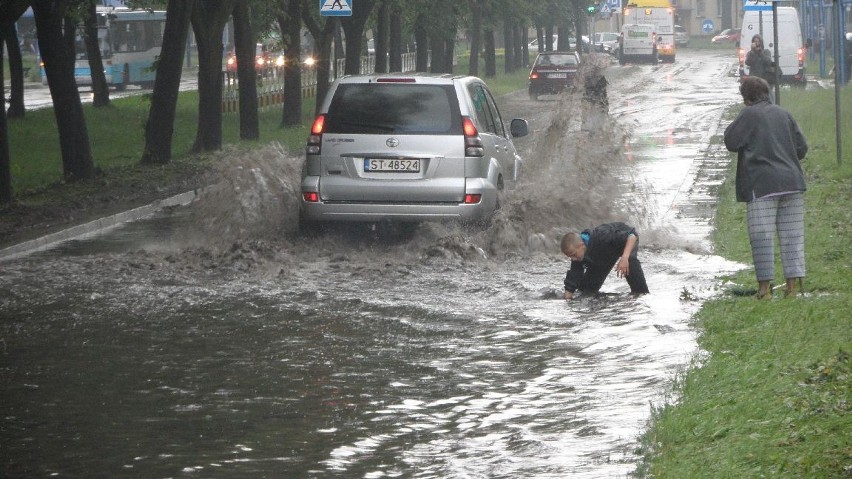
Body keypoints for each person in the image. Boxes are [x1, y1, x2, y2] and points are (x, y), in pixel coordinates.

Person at [724, 76, 809, 299]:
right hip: (792, 184)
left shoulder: (748, 114)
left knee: (761, 237)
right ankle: (791, 288)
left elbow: (731, 142)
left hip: (761, 185)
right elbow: (802, 148)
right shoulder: (784, 113)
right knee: (793, 236)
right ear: (766, 93)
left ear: (746, 97)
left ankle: (764, 290)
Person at [561, 222, 650, 299]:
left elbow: (632, 236)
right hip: (604, 254)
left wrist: (625, 257)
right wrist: (567, 297)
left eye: (573, 255)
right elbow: (574, 275)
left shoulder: (603, 236)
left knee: (640, 291)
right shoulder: (577, 254)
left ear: (581, 245)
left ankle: (639, 299)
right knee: (586, 292)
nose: (573, 259)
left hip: (626, 242)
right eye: (570, 257)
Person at [744, 34, 777, 103]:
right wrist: (753, 52)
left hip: (765, 79)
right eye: (754, 42)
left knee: (768, 97)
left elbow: (768, 61)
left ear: (761, 42)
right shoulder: (750, 53)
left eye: (758, 41)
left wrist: (760, 53)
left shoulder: (766, 52)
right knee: (755, 97)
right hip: (754, 79)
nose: (756, 43)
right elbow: (748, 62)